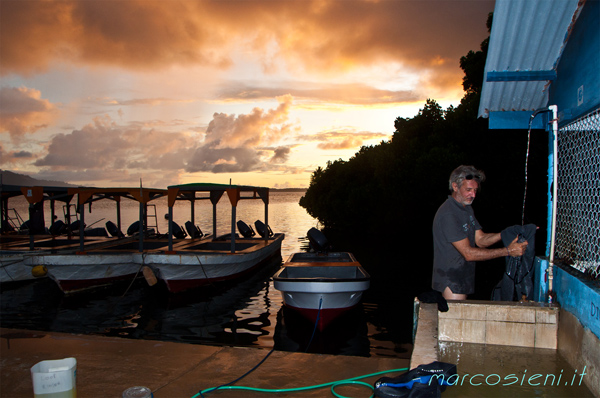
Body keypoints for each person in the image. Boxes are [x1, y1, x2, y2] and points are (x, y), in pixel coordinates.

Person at [432, 165, 528, 300]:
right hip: (451, 280)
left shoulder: (466, 209)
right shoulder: (449, 214)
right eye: (468, 190)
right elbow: (469, 253)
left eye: (475, 190)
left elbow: (481, 240)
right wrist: (508, 251)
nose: (473, 195)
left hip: (462, 277)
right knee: (455, 319)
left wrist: (506, 233)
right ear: (455, 186)